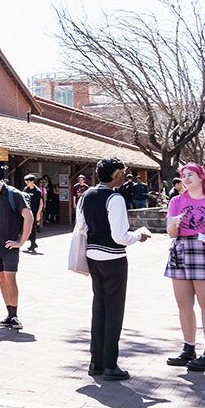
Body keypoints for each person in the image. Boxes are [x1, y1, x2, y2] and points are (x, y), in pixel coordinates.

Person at [78, 158, 151, 381]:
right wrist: (139, 236)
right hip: (113, 258)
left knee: (98, 308)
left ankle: (95, 361)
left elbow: (81, 226)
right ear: (116, 174)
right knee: (114, 311)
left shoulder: (87, 195)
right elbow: (120, 236)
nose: (124, 175)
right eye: (123, 172)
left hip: (92, 255)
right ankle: (110, 363)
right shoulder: (115, 198)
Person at [164, 162, 205, 373]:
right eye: (183, 175)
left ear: (202, 177)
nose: (186, 178)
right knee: (183, 305)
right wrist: (174, 222)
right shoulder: (176, 201)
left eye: (191, 174)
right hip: (181, 251)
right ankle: (189, 348)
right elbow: (171, 233)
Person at [0, 168, 33, 330]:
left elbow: (28, 217)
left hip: (9, 246)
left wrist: (21, 241)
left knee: (10, 278)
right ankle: (8, 314)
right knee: (1, 278)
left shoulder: (14, 194)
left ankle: (15, 315)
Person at [21, 174, 44, 253]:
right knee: (26, 227)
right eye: (25, 181)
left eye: (27, 181)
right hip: (27, 211)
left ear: (32, 181)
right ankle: (33, 242)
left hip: (34, 212)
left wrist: (38, 214)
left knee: (32, 228)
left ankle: (33, 243)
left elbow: (41, 203)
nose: (26, 182)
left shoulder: (37, 191)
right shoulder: (25, 189)